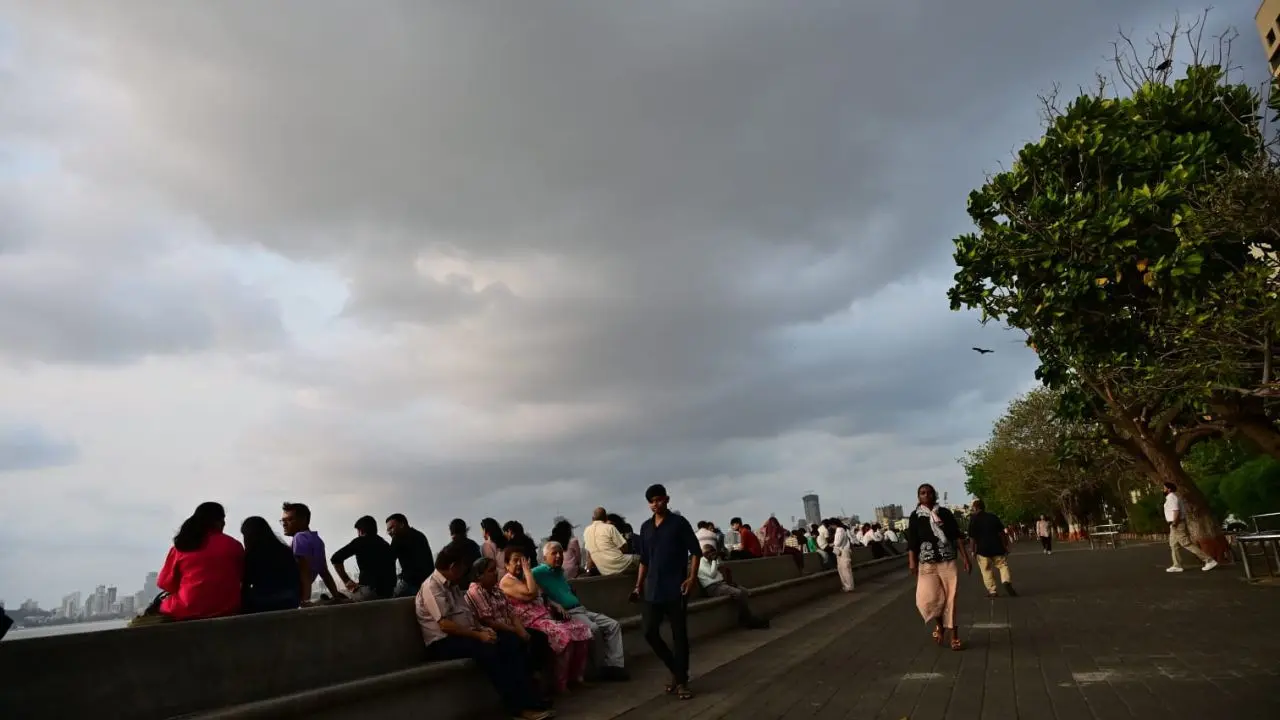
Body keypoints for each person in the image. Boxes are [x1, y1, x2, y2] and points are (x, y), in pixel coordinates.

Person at [414, 544, 553, 720]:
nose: (464, 572)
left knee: (512, 642)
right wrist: (479, 635)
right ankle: (518, 708)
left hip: (465, 635)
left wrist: (483, 630)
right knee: (492, 652)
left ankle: (531, 700)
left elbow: (467, 616)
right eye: (463, 568)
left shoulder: (453, 587)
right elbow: (445, 625)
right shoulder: (432, 587)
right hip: (443, 642)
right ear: (453, 567)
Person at [634, 483, 702, 700]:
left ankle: (681, 682)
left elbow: (696, 552)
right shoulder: (645, 528)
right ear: (649, 505)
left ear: (667, 499)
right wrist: (638, 585)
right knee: (649, 631)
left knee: (679, 635)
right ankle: (676, 669)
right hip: (652, 588)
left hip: (676, 587)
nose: (657, 504)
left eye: (660, 499)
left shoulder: (679, 523)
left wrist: (691, 578)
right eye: (653, 501)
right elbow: (644, 560)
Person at [531, 539, 630, 682]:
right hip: (569, 613)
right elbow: (525, 579)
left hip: (581, 609)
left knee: (613, 625)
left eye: (560, 553)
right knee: (593, 629)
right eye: (554, 553)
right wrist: (552, 602)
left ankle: (614, 666)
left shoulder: (560, 572)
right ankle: (599, 668)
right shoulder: (539, 572)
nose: (558, 556)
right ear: (545, 557)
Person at [499, 545, 593, 693]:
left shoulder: (525, 577)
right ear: (506, 564)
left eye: (522, 560)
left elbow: (541, 595)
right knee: (564, 636)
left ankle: (576, 677)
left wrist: (555, 604)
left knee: (582, 630)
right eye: (515, 561)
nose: (519, 564)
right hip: (530, 621)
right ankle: (560, 683)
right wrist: (528, 571)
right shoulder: (507, 581)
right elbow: (531, 593)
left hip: (545, 616)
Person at [466, 556, 552, 689]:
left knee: (540, 637)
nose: (495, 573)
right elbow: (489, 621)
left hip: (511, 627)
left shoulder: (496, 589)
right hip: (497, 631)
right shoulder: (475, 591)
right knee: (515, 645)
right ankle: (525, 687)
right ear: (479, 575)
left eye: (495, 569)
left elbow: (511, 612)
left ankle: (535, 677)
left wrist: (521, 630)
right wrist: (515, 631)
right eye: (491, 570)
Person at [906, 483, 971, 651]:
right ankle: (940, 625)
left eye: (929, 492)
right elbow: (912, 542)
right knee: (928, 599)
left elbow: (956, 537)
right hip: (926, 563)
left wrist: (965, 557)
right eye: (922, 493)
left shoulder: (945, 513)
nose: (926, 495)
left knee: (951, 598)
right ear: (918, 497)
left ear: (934, 495)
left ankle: (954, 635)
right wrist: (912, 562)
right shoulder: (915, 516)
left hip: (947, 561)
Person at [155, 502, 244, 620]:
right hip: (228, 608)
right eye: (222, 519)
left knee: (159, 603)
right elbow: (242, 575)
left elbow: (164, 583)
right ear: (217, 521)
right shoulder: (234, 545)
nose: (224, 523)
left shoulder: (182, 547)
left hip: (187, 609)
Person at [697, 542, 768, 628]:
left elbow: (720, 570)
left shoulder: (710, 562)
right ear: (707, 554)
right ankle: (747, 620)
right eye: (712, 554)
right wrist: (714, 561)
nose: (713, 556)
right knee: (738, 593)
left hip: (721, 584)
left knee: (745, 592)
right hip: (713, 587)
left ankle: (744, 617)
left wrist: (718, 562)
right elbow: (712, 574)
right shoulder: (701, 563)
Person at [282, 501, 342, 603]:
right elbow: (324, 572)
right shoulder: (318, 540)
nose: (284, 524)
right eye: (283, 520)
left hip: (290, 594)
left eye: (290, 519)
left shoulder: (299, 537)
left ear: (303, 520)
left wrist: (305, 601)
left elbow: (304, 571)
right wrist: (336, 595)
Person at [240, 515, 302, 613]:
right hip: (290, 601)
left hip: (264, 603)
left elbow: (245, 584)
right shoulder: (285, 551)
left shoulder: (252, 555)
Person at [330, 515, 397, 601]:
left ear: (361, 530)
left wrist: (347, 581)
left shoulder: (360, 541)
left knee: (342, 593)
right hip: (389, 593)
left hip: (371, 593)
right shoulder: (385, 544)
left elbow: (335, 559)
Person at [1163, 482, 1219, 573]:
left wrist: (1174, 523)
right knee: (1174, 545)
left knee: (1185, 543)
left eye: (1164, 488)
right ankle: (1177, 565)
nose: (1163, 490)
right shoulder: (1172, 497)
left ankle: (1209, 560)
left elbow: (1176, 510)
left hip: (1176, 524)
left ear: (1169, 489)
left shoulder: (1172, 497)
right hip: (1174, 524)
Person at [967, 499, 1016, 598]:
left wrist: (972, 551)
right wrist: (1005, 545)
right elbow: (1002, 533)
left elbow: (972, 537)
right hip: (997, 547)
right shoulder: (993, 517)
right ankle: (1006, 581)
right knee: (1002, 565)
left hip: (982, 550)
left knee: (986, 570)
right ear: (984, 507)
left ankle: (992, 591)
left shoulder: (973, 519)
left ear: (975, 508)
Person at [385, 513, 434, 597]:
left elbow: (388, 562)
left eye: (391, 528)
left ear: (401, 524)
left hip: (412, 584)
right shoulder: (420, 535)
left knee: (387, 595)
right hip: (428, 582)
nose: (389, 532)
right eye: (388, 530)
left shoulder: (397, 539)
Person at [583, 507, 639, 575]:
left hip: (604, 570)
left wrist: (587, 571)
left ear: (592, 519)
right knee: (643, 559)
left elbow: (589, 556)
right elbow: (625, 549)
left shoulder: (586, 531)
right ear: (605, 518)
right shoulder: (610, 528)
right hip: (620, 565)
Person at [832, 521, 854, 592]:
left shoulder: (839, 531)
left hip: (842, 552)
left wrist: (832, 544)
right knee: (846, 570)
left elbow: (837, 543)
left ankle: (848, 587)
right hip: (844, 551)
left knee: (844, 570)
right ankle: (848, 586)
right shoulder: (843, 530)